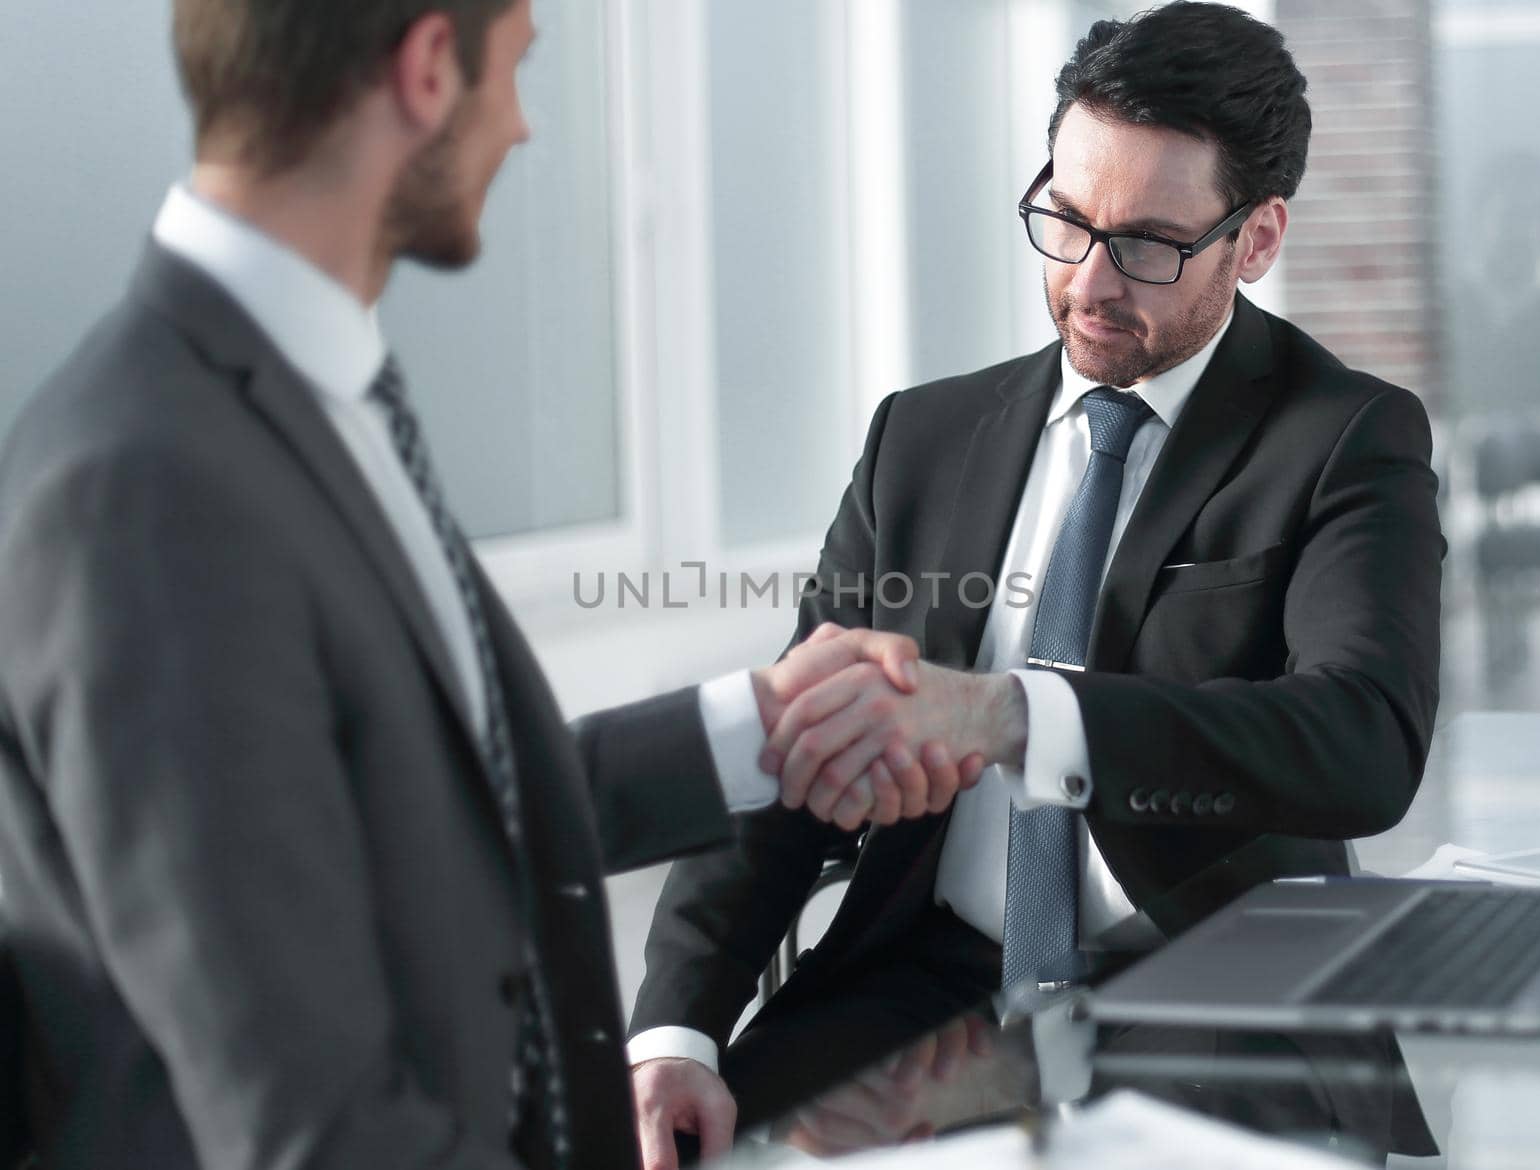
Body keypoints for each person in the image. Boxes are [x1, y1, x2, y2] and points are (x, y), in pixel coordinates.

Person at [0, 2, 978, 1168]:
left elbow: (428, 804)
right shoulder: (147, 486)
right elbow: (313, 1128)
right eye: (514, 70)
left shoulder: (307, 401)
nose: (520, 128)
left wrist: (757, 728)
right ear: (425, 69)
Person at [628, 3, 1445, 1164]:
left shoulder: (1343, 434)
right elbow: (792, 751)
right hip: (926, 981)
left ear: (1255, 238)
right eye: (1065, 221)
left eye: (1149, 244)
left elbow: (1362, 742)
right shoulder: (921, 438)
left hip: (1206, 992)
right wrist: (676, 1033)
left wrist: (1018, 716)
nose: (1090, 282)